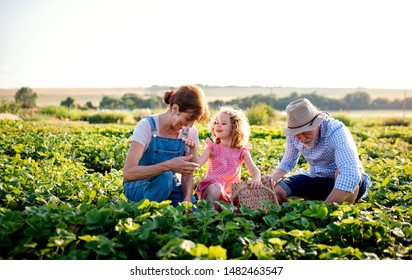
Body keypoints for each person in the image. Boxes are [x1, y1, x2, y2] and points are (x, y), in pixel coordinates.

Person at [262, 98, 371, 204]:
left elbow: (350, 174)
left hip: (347, 180)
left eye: (305, 132)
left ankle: (339, 210)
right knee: (278, 191)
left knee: (341, 172)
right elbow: (287, 162)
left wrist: (324, 209)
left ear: (317, 122)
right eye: (297, 134)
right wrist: (272, 179)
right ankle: (320, 199)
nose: (302, 138)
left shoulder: (336, 131)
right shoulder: (293, 133)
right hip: (317, 179)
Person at [122, 84, 210, 206]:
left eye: (193, 121)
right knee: (165, 177)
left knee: (192, 215)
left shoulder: (190, 131)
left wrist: (187, 199)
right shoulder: (147, 126)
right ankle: (145, 212)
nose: (190, 125)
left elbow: (187, 174)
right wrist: (168, 166)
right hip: (139, 186)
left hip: (172, 186)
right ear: (175, 109)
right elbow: (128, 174)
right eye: (188, 118)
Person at [189, 105, 262, 208]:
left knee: (243, 198)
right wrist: (193, 148)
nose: (218, 125)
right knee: (216, 188)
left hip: (230, 193)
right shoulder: (212, 147)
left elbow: (254, 169)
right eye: (216, 123)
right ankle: (206, 215)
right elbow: (197, 164)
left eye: (223, 123)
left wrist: (257, 180)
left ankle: (222, 213)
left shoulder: (241, 150)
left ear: (234, 127)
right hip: (211, 189)